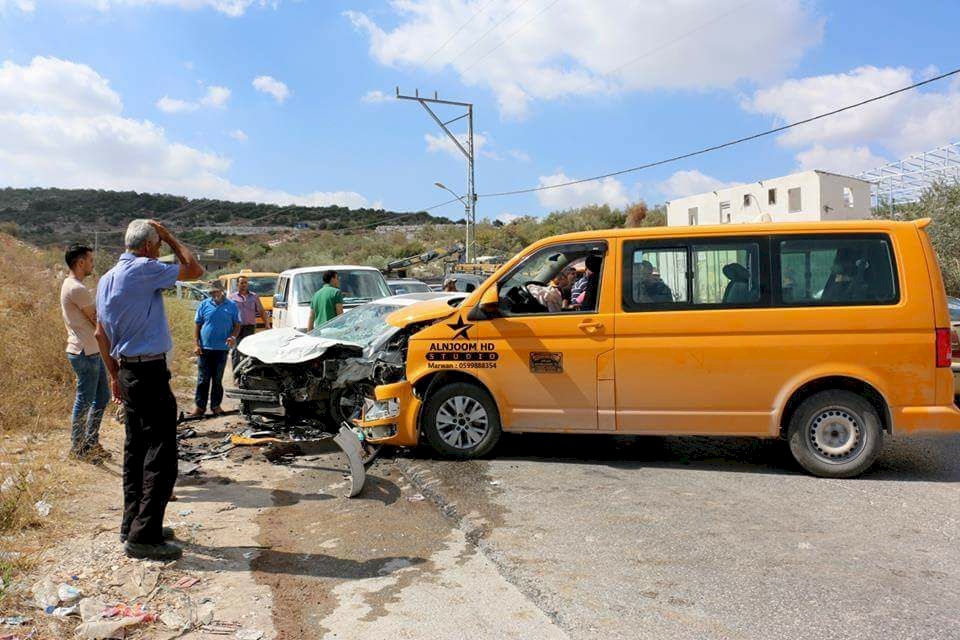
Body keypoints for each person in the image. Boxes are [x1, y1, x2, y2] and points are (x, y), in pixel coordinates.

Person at [95, 219, 203, 561]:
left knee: (136, 451)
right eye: (157, 245)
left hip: (127, 371)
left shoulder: (107, 277)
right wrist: (170, 235)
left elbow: (100, 333)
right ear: (148, 247)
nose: (159, 251)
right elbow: (195, 269)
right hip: (149, 371)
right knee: (162, 455)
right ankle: (144, 536)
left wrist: (114, 375)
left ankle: (133, 524)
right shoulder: (144, 268)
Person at [60, 243, 111, 463]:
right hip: (84, 352)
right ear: (80, 262)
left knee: (102, 396)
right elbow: (96, 319)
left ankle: (90, 441)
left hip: (90, 350)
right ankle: (79, 446)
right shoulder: (77, 289)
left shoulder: (73, 285)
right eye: (90, 260)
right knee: (85, 399)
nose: (92, 264)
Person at [191, 281, 240, 417]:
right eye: (211, 292)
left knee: (217, 379)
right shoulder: (204, 304)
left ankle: (216, 406)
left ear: (221, 291)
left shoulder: (231, 306)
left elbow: (237, 324)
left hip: (221, 349)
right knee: (202, 379)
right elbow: (197, 325)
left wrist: (233, 337)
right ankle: (199, 408)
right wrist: (196, 344)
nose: (213, 294)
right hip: (204, 349)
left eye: (215, 291)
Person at [228, 275, 269, 369]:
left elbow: (261, 311)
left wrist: (266, 323)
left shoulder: (254, 296)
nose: (244, 285)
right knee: (236, 351)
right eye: (241, 283)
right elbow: (227, 314)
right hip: (236, 328)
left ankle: (246, 374)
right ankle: (236, 375)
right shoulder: (231, 297)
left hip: (249, 328)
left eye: (245, 283)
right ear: (237, 284)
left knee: (248, 351)